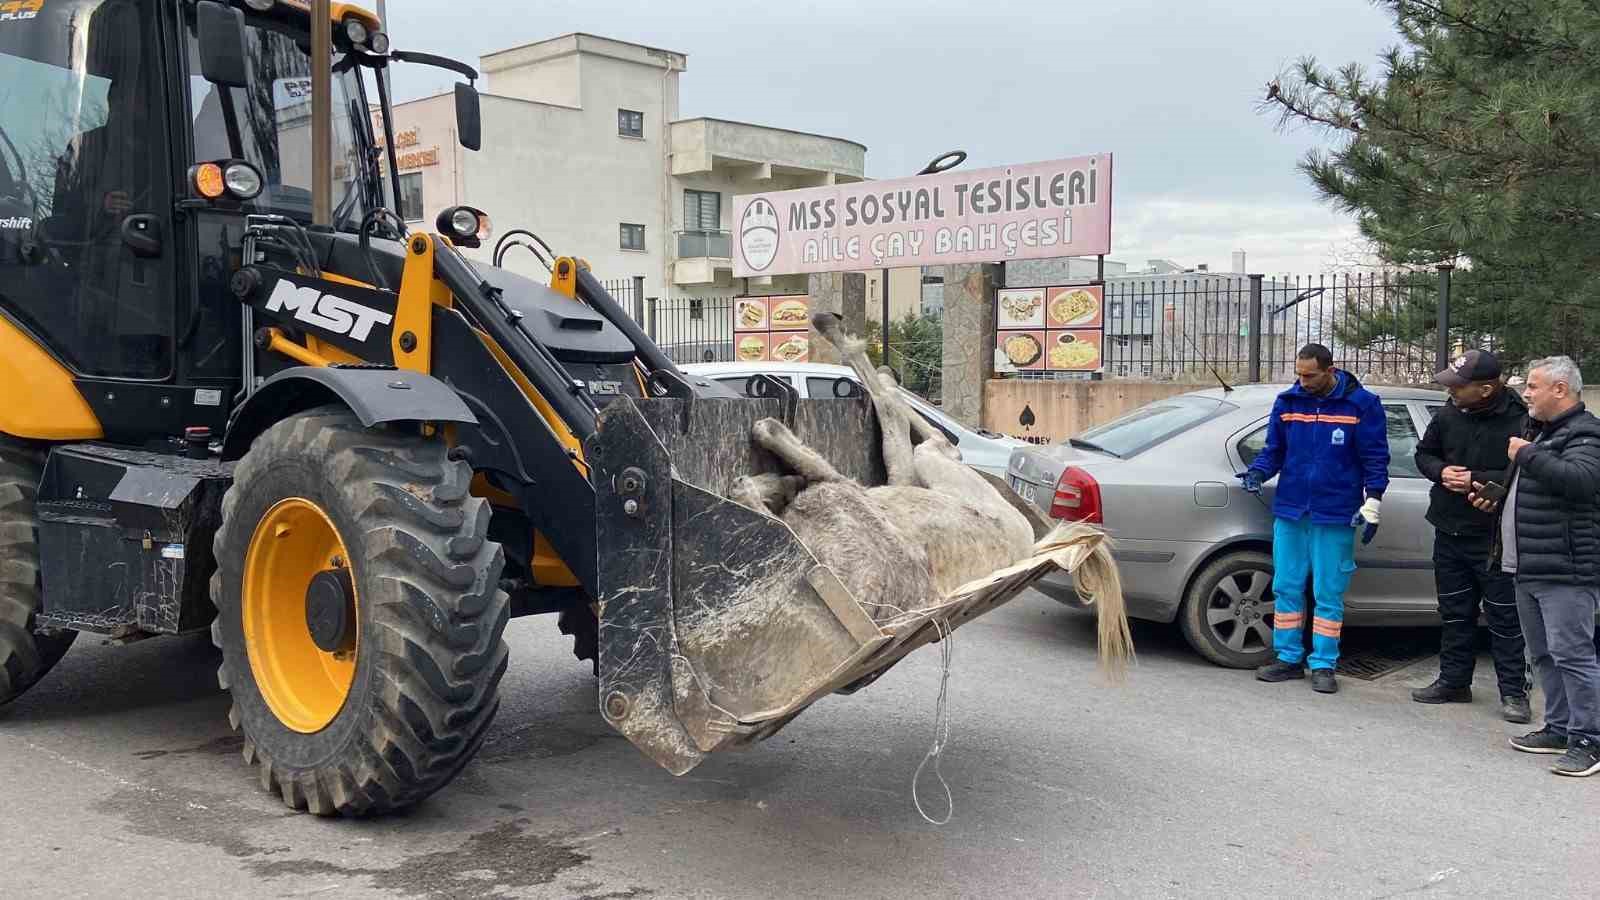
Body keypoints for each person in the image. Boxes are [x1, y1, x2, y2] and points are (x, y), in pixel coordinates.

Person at [1470, 356, 1600, 777]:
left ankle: (1590, 740)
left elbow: (1580, 481)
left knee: (1573, 655)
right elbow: (1535, 491)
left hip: (1566, 569)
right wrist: (1496, 498)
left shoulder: (1586, 433)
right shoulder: (1541, 431)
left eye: (1533, 385)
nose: (1525, 393)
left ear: (1560, 390)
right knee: (1543, 654)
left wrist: (1526, 455)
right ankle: (1560, 728)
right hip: (1527, 566)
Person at [1240, 344, 1390, 694]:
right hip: (1292, 509)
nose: (1302, 381)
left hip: (1335, 513)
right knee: (1286, 587)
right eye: (1299, 374)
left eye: (1310, 375)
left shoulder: (1362, 405)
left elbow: (1374, 458)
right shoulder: (1289, 402)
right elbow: (1274, 451)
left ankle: (1324, 664)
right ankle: (1288, 658)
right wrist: (1257, 473)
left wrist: (1374, 502)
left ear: (1331, 370)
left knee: (1328, 592)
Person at [1411, 350, 1531, 722]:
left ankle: (1514, 694)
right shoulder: (1449, 413)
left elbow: (1525, 471)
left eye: (1458, 387)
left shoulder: (1522, 420)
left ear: (1485, 389)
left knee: (1505, 619)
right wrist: (1441, 471)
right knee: (1454, 612)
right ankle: (1454, 682)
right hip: (1448, 529)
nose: (1451, 392)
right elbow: (1423, 454)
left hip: (1495, 538)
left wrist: (1476, 479)